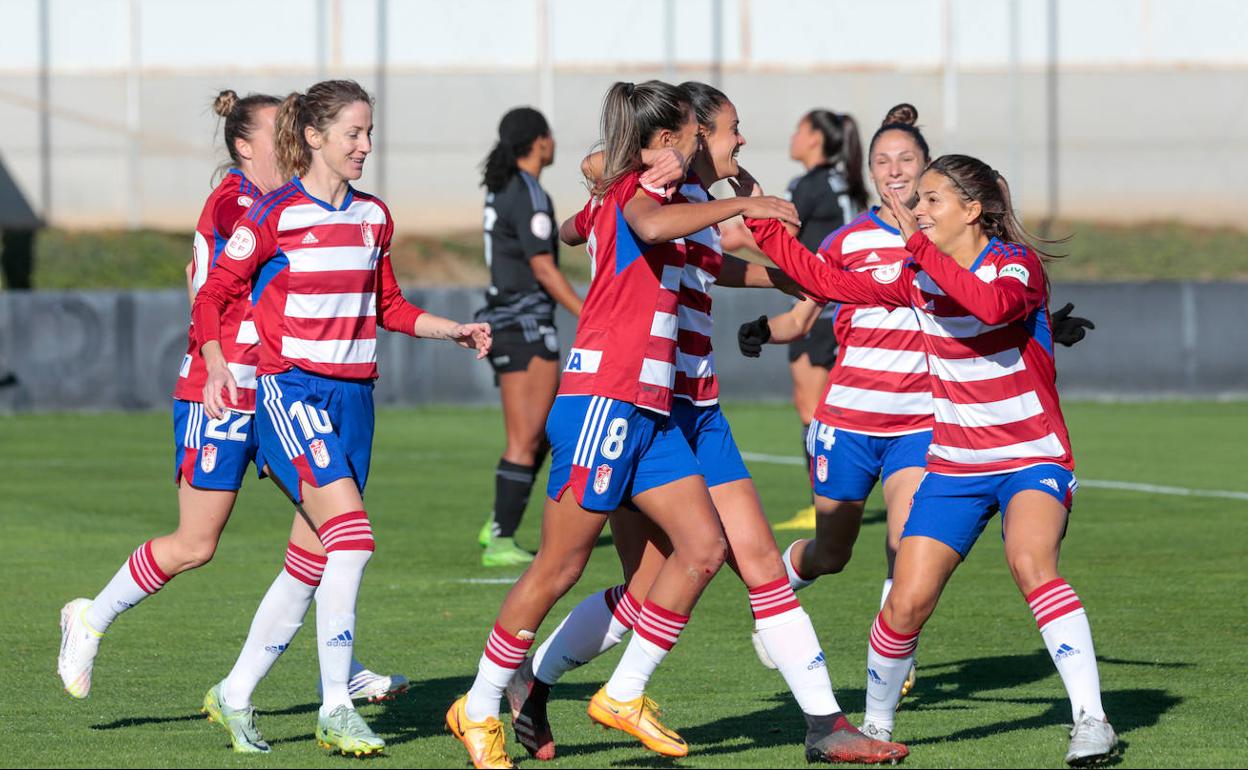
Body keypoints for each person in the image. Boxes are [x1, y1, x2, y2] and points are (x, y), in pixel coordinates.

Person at [502, 82, 908, 767]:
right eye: (730, 129)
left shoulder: (696, 200)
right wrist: (608, 167)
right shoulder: (655, 189)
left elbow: (716, 266)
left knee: (753, 563)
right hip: (644, 405)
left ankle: (823, 723)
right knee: (639, 591)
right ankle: (531, 684)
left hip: (694, 405)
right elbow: (599, 190)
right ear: (689, 137)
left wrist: (795, 279)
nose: (742, 140)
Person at [445, 80, 801, 769]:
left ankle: (625, 692)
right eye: (703, 131)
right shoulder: (642, 191)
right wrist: (749, 202)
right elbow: (644, 223)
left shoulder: (663, 191)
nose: (713, 141)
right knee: (559, 565)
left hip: (651, 405)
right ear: (667, 141)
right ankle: (480, 703)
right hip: (605, 399)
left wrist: (791, 276)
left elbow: (692, 254)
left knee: (702, 549)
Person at [736, 153, 1119, 767]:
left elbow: (989, 306)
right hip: (957, 464)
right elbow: (823, 279)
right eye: (917, 203)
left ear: (974, 210)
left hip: (1030, 455)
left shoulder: (1015, 266)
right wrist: (755, 213)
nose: (916, 210)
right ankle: (876, 727)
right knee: (906, 602)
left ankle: (1091, 721)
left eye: (931, 200)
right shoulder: (917, 274)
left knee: (1030, 562)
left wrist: (915, 245)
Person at [55, 91, 406, 745]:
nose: (294, 143)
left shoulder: (302, 203)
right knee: (196, 544)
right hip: (220, 393)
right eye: (279, 133)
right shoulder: (240, 203)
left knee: (331, 535)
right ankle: (91, 617)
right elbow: (216, 293)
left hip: (281, 393)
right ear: (245, 146)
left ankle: (337, 674)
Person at [192, 79, 491, 756]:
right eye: (353, 133)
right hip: (291, 391)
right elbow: (214, 295)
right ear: (315, 137)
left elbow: (390, 305)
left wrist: (452, 330)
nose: (365, 144)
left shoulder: (375, 217)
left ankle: (234, 694)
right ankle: (335, 707)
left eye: (369, 132)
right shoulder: (273, 215)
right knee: (352, 539)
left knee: (311, 562)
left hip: (355, 402)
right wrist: (214, 363)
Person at [474, 107, 582, 567]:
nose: (554, 142)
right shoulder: (529, 192)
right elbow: (542, 265)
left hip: (512, 324)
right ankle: (500, 536)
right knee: (527, 438)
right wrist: (589, 311)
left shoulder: (506, 187)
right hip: (524, 328)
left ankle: (499, 523)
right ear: (539, 142)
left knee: (537, 436)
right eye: (550, 135)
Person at [772, 110, 869, 530]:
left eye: (799, 128)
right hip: (847, 307)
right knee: (833, 404)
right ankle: (837, 497)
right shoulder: (845, 185)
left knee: (812, 408)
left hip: (818, 307)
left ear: (814, 139)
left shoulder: (808, 186)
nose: (793, 136)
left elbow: (781, 243)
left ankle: (824, 502)